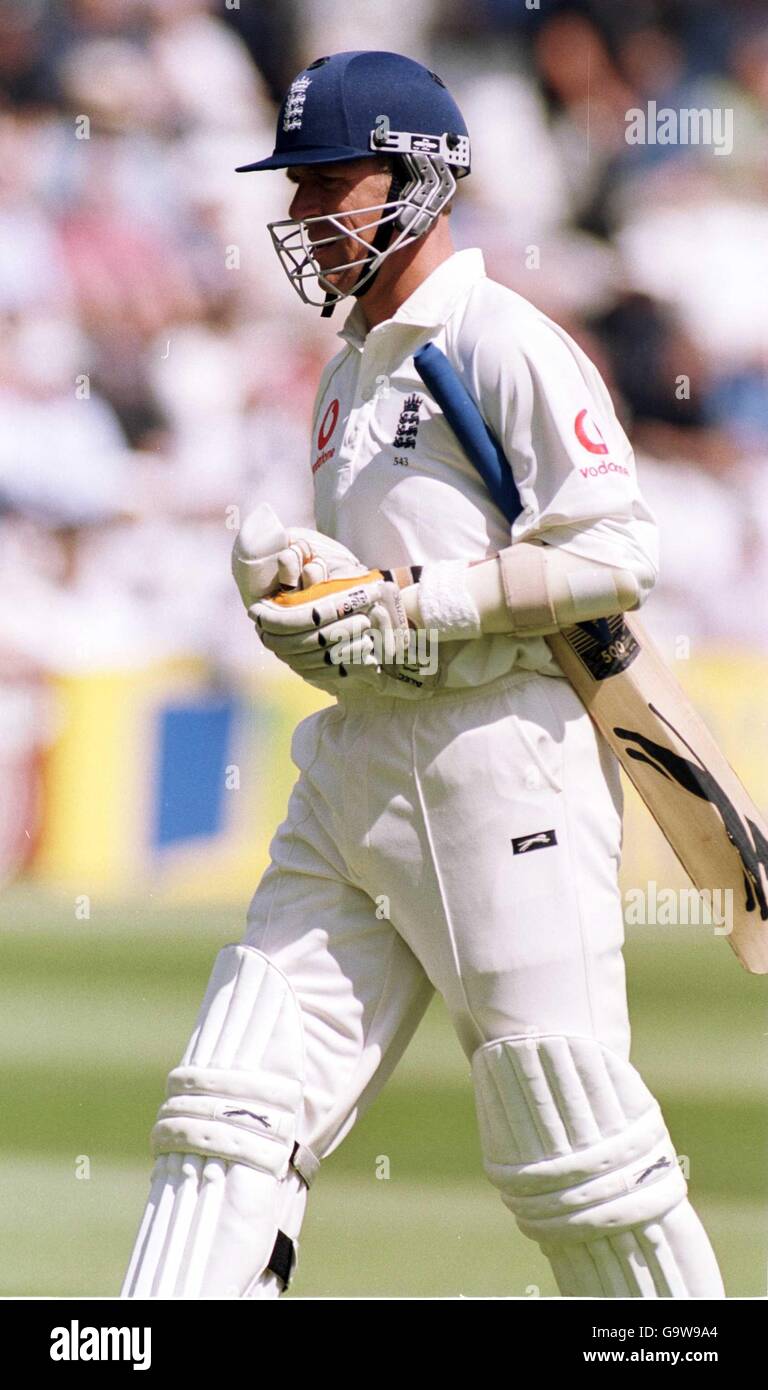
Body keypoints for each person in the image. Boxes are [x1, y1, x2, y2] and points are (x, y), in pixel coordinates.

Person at [122, 50, 724, 1299]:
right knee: (231, 1106)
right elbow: (400, 570)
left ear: (421, 174)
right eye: (292, 190)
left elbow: (619, 549)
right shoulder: (353, 365)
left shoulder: (501, 339)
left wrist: (422, 608)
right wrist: (312, 598)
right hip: (355, 768)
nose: (297, 217)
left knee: (576, 1149)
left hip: (496, 765)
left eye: (325, 185)